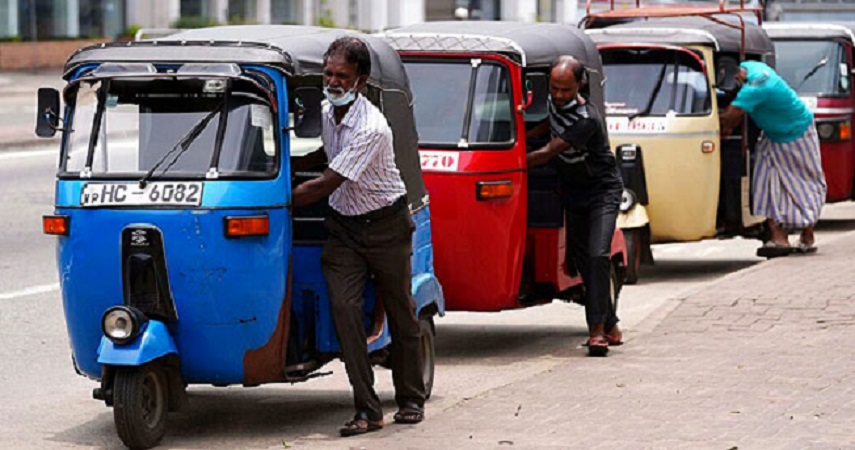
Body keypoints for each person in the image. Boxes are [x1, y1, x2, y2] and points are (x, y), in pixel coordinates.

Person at [291, 37, 426, 436]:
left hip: (386, 227)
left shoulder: (372, 128)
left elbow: (327, 182)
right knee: (345, 313)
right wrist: (286, 164)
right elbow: (327, 156)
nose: (332, 82)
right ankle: (368, 410)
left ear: (360, 82)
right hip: (345, 229)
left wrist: (272, 194)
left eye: (342, 76)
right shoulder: (326, 109)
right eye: (328, 74)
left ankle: (411, 398)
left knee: (401, 313)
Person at [527, 56, 623, 357]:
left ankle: (596, 334)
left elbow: (548, 152)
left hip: (602, 192)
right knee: (581, 261)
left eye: (565, 90)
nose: (558, 95)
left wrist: (506, 160)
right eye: (554, 88)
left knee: (597, 255)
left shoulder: (587, 119)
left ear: (579, 86)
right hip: (574, 191)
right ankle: (610, 322)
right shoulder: (554, 104)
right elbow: (547, 126)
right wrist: (521, 138)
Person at [719, 60, 827, 256]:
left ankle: (807, 232)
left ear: (738, 77)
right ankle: (778, 237)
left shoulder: (755, 88)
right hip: (771, 135)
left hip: (797, 133)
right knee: (766, 182)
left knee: (804, 183)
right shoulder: (750, 66)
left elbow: (728, 121)